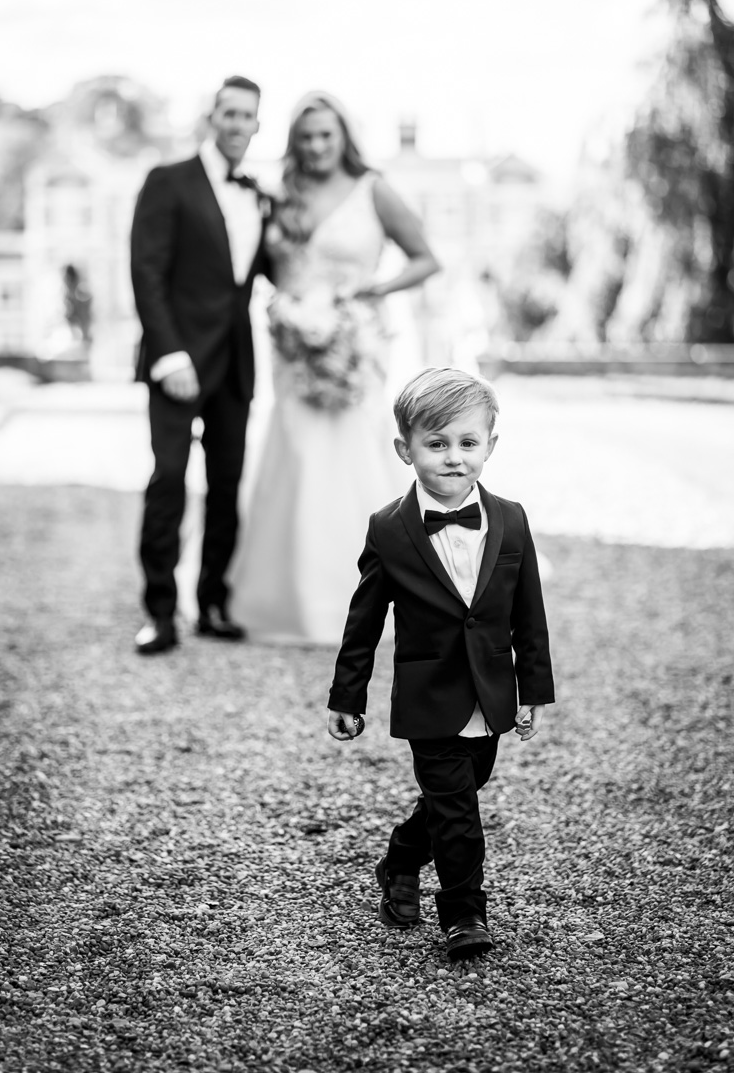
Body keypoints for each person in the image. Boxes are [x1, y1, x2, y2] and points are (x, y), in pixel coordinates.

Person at [327, 367, 555, 960]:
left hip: (491, 691)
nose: (454, 458)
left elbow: (529, 613)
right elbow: (364, 621)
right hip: (429, 695)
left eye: (468, 443)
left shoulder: (511, 519)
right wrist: (347, 696)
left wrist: (532, 688)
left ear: (491, 446)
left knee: (464, 786)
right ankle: (463, 915)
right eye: (437, 444)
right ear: (406, 450)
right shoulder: (389, 529)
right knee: (458, 811)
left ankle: (400, 860)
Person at [230, 92, 440, 643]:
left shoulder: (375, 190)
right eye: (306, 137)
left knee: (354, 455)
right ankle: (290, 598)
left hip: (355, 343)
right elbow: (270, 268)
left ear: (344, 136)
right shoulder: (282, 196)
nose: (317, 146)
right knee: (296, 452)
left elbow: (426, 258)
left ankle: (379, 594)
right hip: (294, 347)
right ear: (294, 144)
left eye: (327, 134)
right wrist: (289, 312)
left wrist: (376, 289)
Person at [130, 75, 272, 654]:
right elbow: (146, 271)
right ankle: (160, 612)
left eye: (249, 117)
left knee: (226, 485)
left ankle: (211, 602)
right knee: (168, 480)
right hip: (178, 362)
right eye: (230, 114)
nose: (239, 125)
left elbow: (267, 273)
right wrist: (169, 353)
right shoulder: (169, 181)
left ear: (258, 127)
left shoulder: (260, 194)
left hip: (235, 363)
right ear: (211, 118)